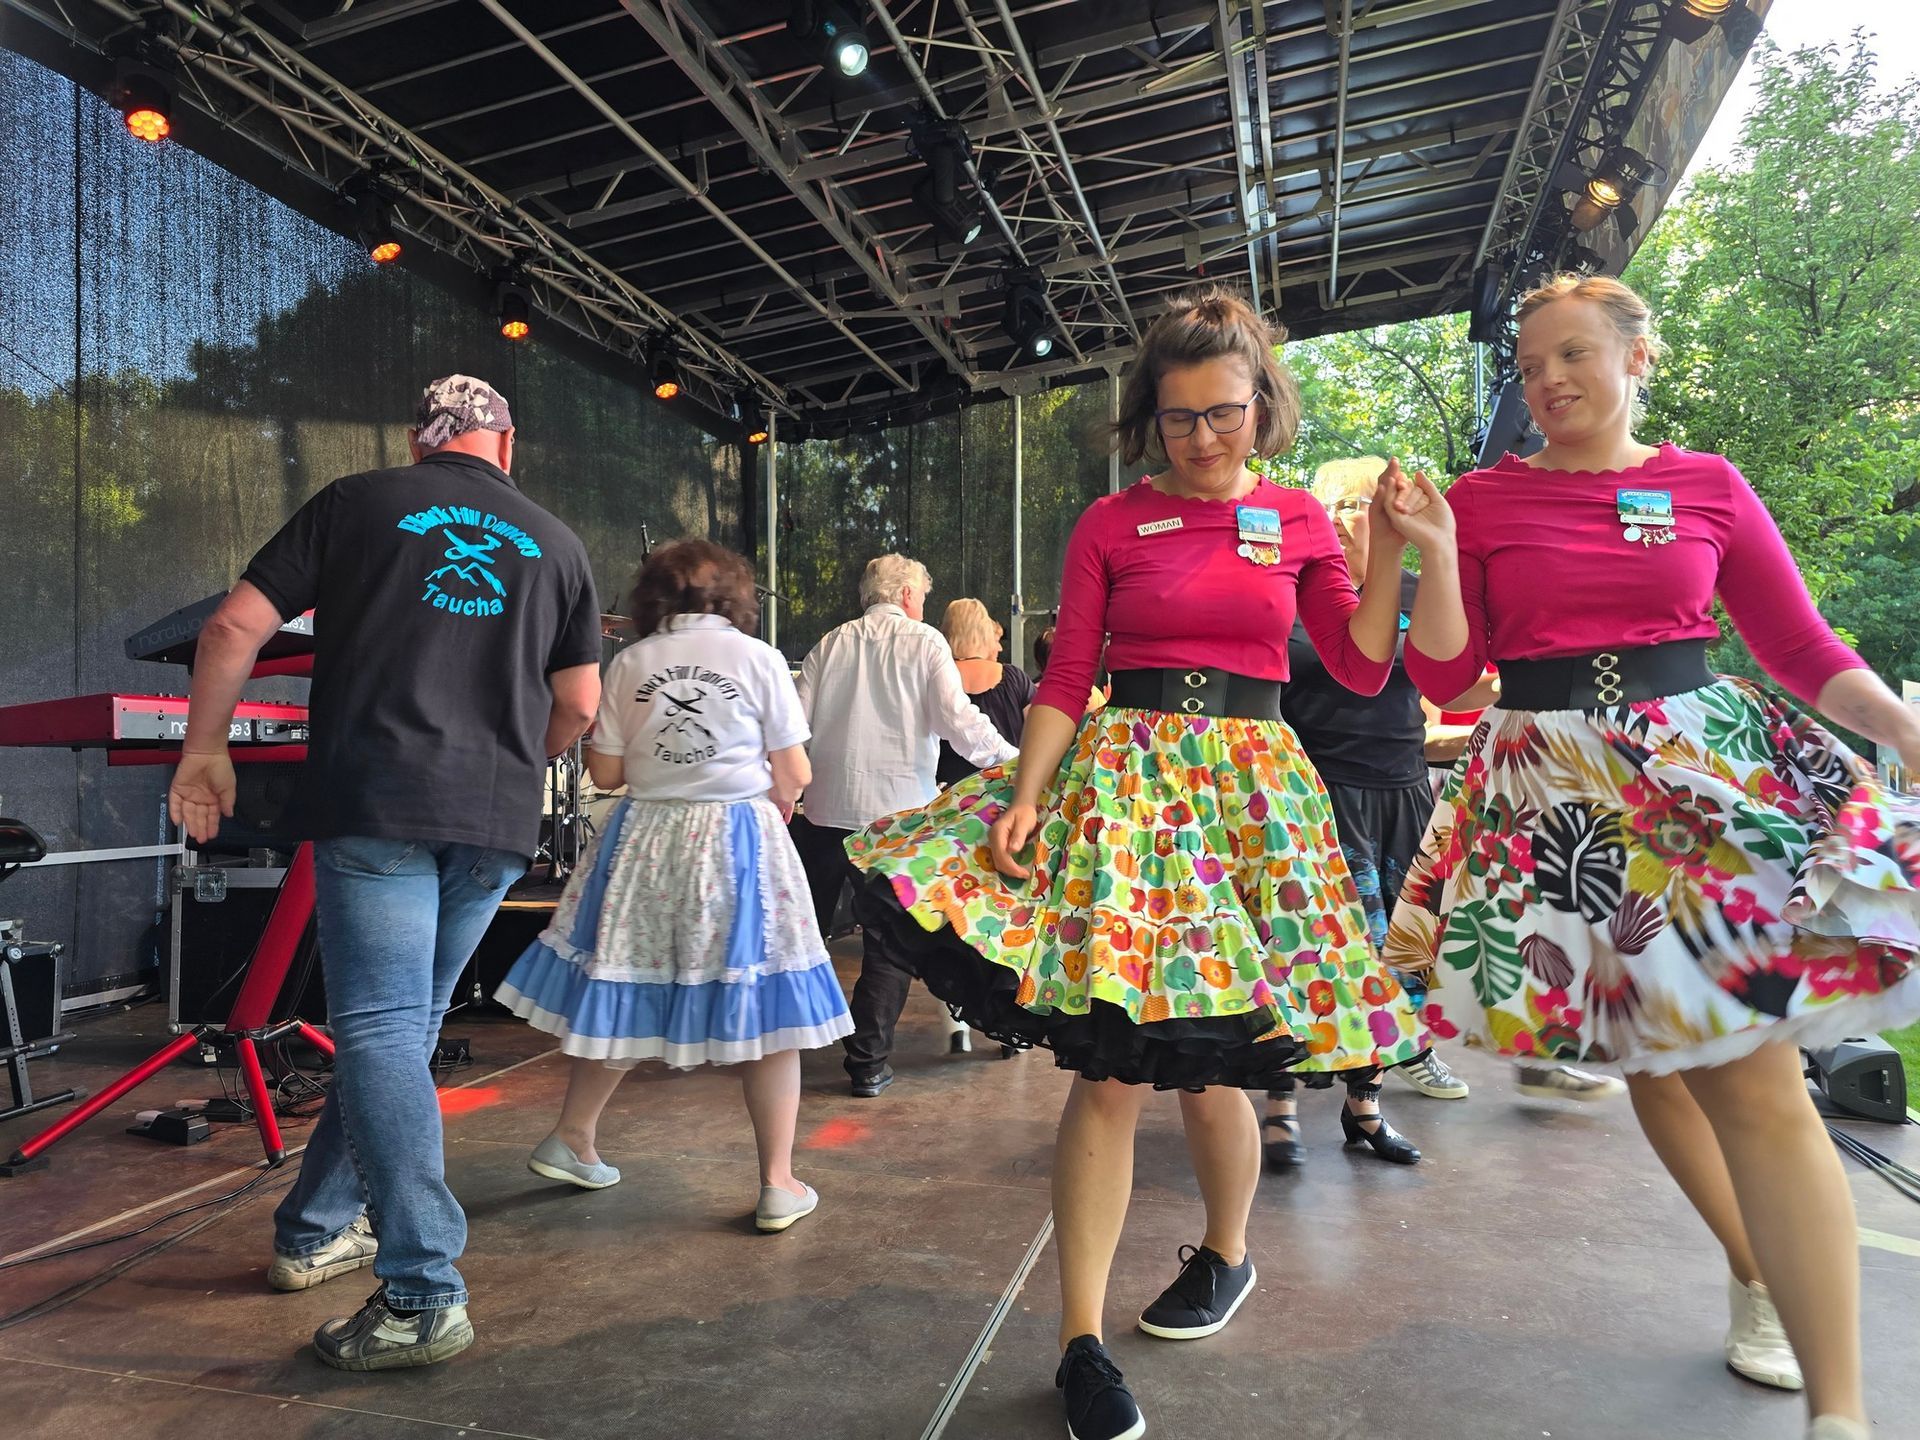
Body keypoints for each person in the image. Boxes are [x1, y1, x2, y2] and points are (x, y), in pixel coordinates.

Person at [847, 286, 1435, 1440]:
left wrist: (1392, 555)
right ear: (1147, 418)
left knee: (1218, 1064)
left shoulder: (1299, 521)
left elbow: (1363, 668)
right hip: (1128, 790)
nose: (1203, 437)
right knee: (1110, 1067)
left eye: (1224, 412)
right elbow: (1068, 674)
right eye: (1178, 417)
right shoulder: (1111, 523)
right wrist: (1025, 793)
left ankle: (1227, 1252)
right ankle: (1080, 1340)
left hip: (1254, 798)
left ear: (1263, 405)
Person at [1384, 273, 1920, 1440]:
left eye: (1573, 355)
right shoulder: (1482, 497)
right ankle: (1756, 1268)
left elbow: (1795, 641)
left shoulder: (1707, 484)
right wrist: (1432, 551)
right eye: (1531, 367)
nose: (1549, 382)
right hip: (1551, 793)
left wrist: (1901, 728)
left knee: (1755, 1077)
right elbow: (1446, 677)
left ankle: (1841, 1414)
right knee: (1653, 1065)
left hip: (1691, 779)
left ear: (1639, 357)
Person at [167, 375, 603, 1371]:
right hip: (490, 825)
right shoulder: (559, 543)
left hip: (375, 801)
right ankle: (314, 1230)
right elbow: (579, 704)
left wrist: (205, 749)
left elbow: (231, 628)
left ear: (420, 440)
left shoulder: (358, 502)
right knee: (399, 1032)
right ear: (508, 444)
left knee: (380, 1030)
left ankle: (421, 1291)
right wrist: (509, 765)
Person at [495, 540, 850, 1233]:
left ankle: (573, 1136)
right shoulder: (758, 658)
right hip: (738, 844)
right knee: (766, 1005)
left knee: (627, 986)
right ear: (736, 595)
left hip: (646, 841)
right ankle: (777, 1183)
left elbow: (604, 774)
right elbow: (796, 773)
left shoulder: (631, 662)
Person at [1257, 458, 1445, 1169]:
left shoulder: (1419, 590)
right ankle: (1280, 1102)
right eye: (1330, 507)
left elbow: (1451, 677)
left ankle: (1364, 1105)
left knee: (1391, 963)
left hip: (1402, 793)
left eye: (1356, 506)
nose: (1340, 520)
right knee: (1299, 953)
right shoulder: (1295, 592)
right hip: (1316, 794)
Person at [790, 555, 1019, 1096]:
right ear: (910, 594)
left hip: (825, 812)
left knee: (804, 931)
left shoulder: (829, 644)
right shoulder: (925, 642)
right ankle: (867, 1062)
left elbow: (794, 725)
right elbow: (959, 722)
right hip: (896, 821)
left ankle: (781, 1043)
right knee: (887, 940)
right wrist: (1016, 764)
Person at [936, 598, 1033, 786]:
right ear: (984, 634)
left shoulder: (936, 678)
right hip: (1007, 788)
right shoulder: (1013, 677)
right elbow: (1038, 730)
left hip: (950, 794)